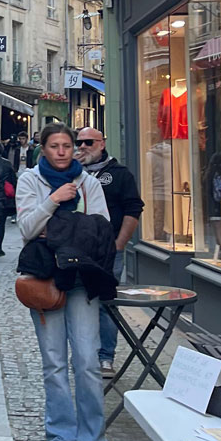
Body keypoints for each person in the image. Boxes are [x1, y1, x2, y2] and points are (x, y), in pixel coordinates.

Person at [16, 123, 112, 441]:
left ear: (74, 149)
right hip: (45, 279)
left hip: (83, 278)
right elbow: (27, 229)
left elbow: (100, 231)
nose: (61, 152)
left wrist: (52, 229)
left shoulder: (89, 183)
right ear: (43, 148)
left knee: (87, 359)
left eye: (67, 146)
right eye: (54, 146)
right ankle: (60, 435)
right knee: (54, 361)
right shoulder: (30, 181)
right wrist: (53, 201)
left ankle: (94, 438)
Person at [76, 127, 144, 379]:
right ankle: (83, 355)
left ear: (102, 144)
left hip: (108, 251)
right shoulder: (73, 173)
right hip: (77, 251)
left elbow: (133, 209)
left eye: (89, 142)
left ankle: (105, 357)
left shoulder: (119, 174)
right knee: (78, 301)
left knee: (105, 304)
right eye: (79, 142)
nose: (83, 146)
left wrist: (119, 244)